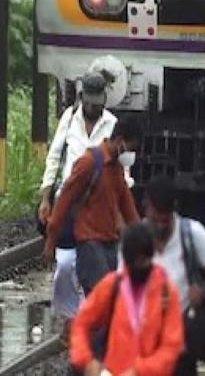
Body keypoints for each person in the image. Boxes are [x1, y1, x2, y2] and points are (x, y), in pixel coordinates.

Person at [39, 72, 119, 320]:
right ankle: (68, 314)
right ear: (82, 98)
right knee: (65, 265)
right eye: (89, 103)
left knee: (94, 264)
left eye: (97, 104)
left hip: (97, 207)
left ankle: (88, 317)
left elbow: (122, 172)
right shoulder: (69, 117)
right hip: (68, 201)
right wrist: (45, 197)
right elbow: (54, 157)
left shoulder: (112, 124)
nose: (92, 108)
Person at [69, 223, 185, 376]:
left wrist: (140, 371)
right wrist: (87, 361)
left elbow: (172, 347)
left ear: (151, 257)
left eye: (143, 261)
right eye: (135, 262)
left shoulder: (166, 292)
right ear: (127, 261)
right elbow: (81, 322)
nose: (140, 266)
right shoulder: (113, 286)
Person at [141, 178, 205, 375]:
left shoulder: (192, 234)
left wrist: (204, 292)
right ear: (145, 207)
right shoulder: (135, 240)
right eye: (156, 221)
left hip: (181, 337)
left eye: (165, 221)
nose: (160, 227)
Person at [46, 117, 143, 295]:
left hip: (110, 245)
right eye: (131, 148)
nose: (131, 154)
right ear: (120, 140)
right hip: (89, 244)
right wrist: (51, 241)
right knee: (104, 297)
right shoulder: (89, 163)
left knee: (107, 300)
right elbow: (63, 202)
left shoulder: (116, 169)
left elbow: (128, 208)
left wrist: (145, 241)